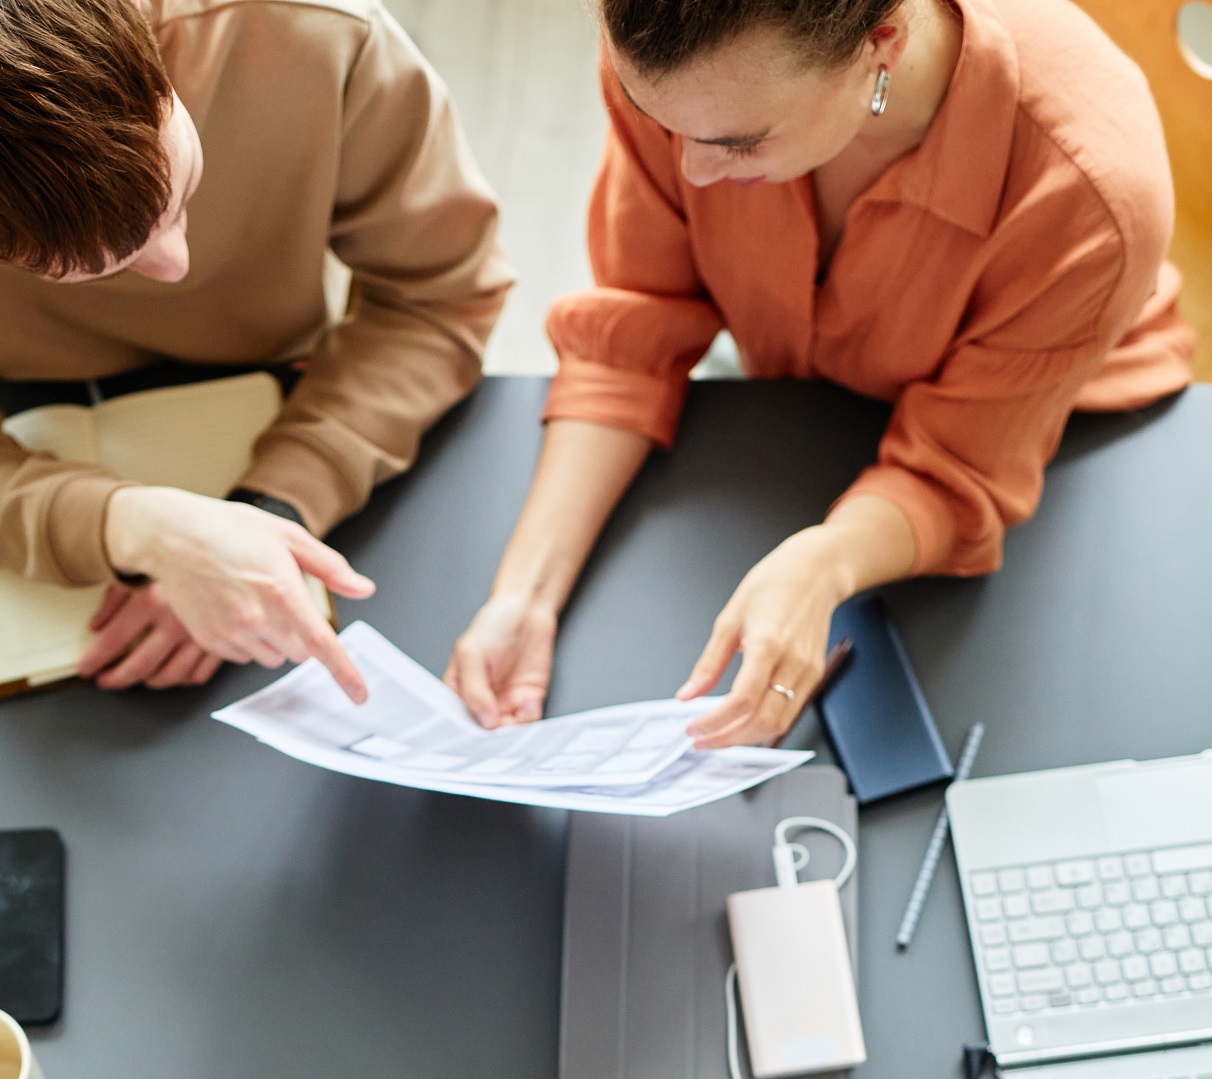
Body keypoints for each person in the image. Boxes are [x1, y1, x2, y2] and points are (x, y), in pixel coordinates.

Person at [445, 0, 1196, 749]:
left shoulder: (1087, 196)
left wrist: (827, 562)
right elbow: (637, 330)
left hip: (1050, 419)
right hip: (796, 391)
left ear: (883, 45)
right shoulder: (683, 69)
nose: (690, 171)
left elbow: (957, 469)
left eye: (736, 144)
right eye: (663, 123)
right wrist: (525, 595)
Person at [0, 0, 511, 695]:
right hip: (19, 407)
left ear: (153, 63)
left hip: (291, 386)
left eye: (180, 194)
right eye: (78, 272)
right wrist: (143, 532)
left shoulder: (318, 29)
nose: (177, 270)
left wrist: (273, 505)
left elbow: (440, 298)